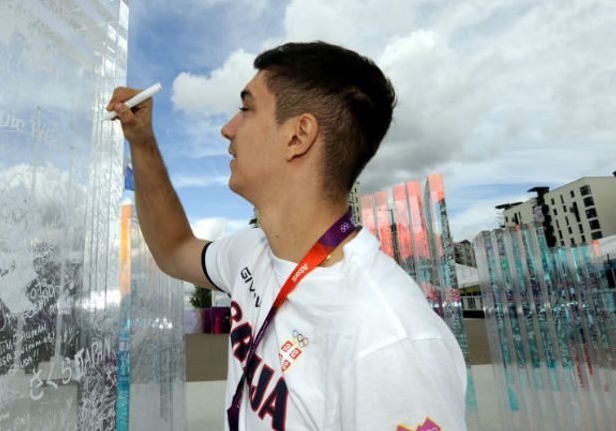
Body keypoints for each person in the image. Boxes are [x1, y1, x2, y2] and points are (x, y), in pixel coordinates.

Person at [107, 41, 467, 431]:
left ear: (298, 136)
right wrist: (142, 142)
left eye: (246, 108)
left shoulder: (390, 343)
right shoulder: (252, 251)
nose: (227, 128)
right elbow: (174, 249)